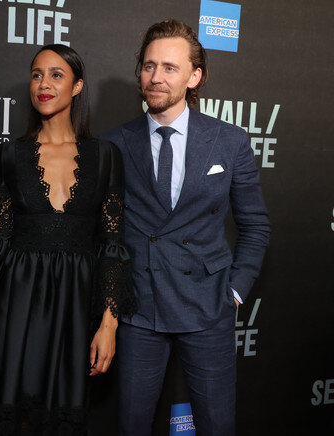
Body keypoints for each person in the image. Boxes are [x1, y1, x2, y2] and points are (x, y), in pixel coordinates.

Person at [101, 19, 271, 435]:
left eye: (169, 68)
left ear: (195, 76)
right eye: (149, 66)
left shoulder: (229, 141)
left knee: (217, 425)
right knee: (132, 425)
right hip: (139, 309)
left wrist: (234, 292)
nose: (156, 77)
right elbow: (96, 228)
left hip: (208, 308)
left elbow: (255, 225)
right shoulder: (113, 144)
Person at [0, 44, 135, 435]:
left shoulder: (106, 156)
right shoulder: (8, 156)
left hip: (77, 306)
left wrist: (109, 324)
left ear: (77, 86)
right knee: (12, 417)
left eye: (57, 75)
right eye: (37, 75)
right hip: (15, 304)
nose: (44, 84)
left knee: (63, 416)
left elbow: (112, 244)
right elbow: (0, 238)